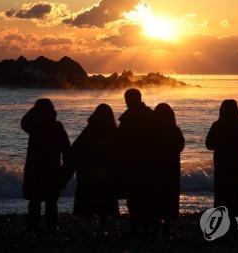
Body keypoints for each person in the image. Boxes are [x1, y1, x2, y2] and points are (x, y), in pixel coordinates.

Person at [21, 98, 71, 233]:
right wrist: (66, 170)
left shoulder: (34, 126)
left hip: (34, 168)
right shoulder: (57, 126)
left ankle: (33, 226)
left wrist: (34, 109)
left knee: (34, 200)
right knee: (51, 201)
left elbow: (23, 122)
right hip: (52, 169)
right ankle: (51, 227)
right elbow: (66, 149)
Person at [70, 104, 119, 226]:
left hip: (89, 170)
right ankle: (103, 221)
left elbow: (75, 148)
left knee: (89, 196)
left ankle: (88, 221)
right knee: (105, 196)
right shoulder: (113, 131)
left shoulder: (90, 129)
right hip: (107, 170)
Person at [205, 99, 238, 217]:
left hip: (221, 166)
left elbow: (209, 144)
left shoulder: (217, 126)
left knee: (221, 195)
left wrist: (222, 144)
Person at [116, 88, 156, 235]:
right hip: (147, 163)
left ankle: (136, 224)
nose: (126, 103)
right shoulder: (151, 116)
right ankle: (144, 224)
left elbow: (119, 141)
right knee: (144, 195)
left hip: (134, 163)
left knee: (134, 196)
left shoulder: (127, 118)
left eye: (127, 100)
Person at [153, 103, 185, 236]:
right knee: (170, 195)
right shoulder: (175, 130)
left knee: (157, 194)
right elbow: (180, 146)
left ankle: (156, 222)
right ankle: (167, 223)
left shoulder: (152, 131)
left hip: (156, 167)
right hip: (171, 167)